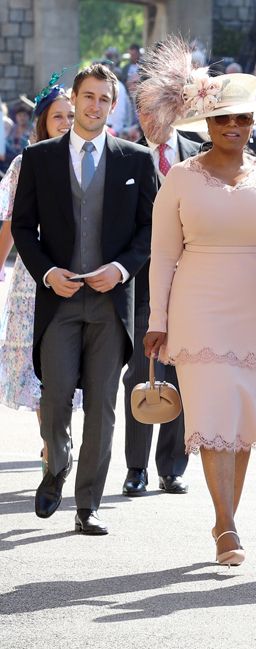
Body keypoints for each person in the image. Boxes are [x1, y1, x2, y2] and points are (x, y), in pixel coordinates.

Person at [142, 45, 256, 565]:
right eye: (223, 118)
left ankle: (226, 520)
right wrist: (157, 321)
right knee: (214, 415)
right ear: (207, 122)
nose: (233, 125)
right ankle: (227, 526)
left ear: (253, 123)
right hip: (198, 309)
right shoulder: (180, 177)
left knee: (239, 426)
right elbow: (163, 254)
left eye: (242, 118)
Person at [11, 63, 156, 535]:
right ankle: (57, 463)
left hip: (112, 303)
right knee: (54, 398)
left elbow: (149, 230)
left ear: (114, 107)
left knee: (103, 405)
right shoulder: (40, 158)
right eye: (88, 97)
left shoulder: (136, 160)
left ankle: (87, 503)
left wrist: (119, 269)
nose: (95, 107)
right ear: (74, 100)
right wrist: (48, 273)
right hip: (60, 300)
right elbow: (23, 229)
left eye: (104, 100)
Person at [120, 51, 205, 498]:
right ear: (139, 113)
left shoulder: (199, 153)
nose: (155, 117)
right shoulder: (127, 158)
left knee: (184, 374)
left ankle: (173, 465)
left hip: (193, 285)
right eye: (146, 109)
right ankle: (136, 468)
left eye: (162, 107)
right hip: (141, 286)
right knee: (141, 372)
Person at [0, 78, 80, 465]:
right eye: (58, 116)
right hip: (33, 279)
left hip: (79, 274)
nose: (65, 122)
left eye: (71, 115)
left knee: (71, 364)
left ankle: (61, 435)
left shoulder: (90, 160)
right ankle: (52, 442)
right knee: (38, 368)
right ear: (43, 122)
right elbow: (11, 222)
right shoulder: (25, 162)